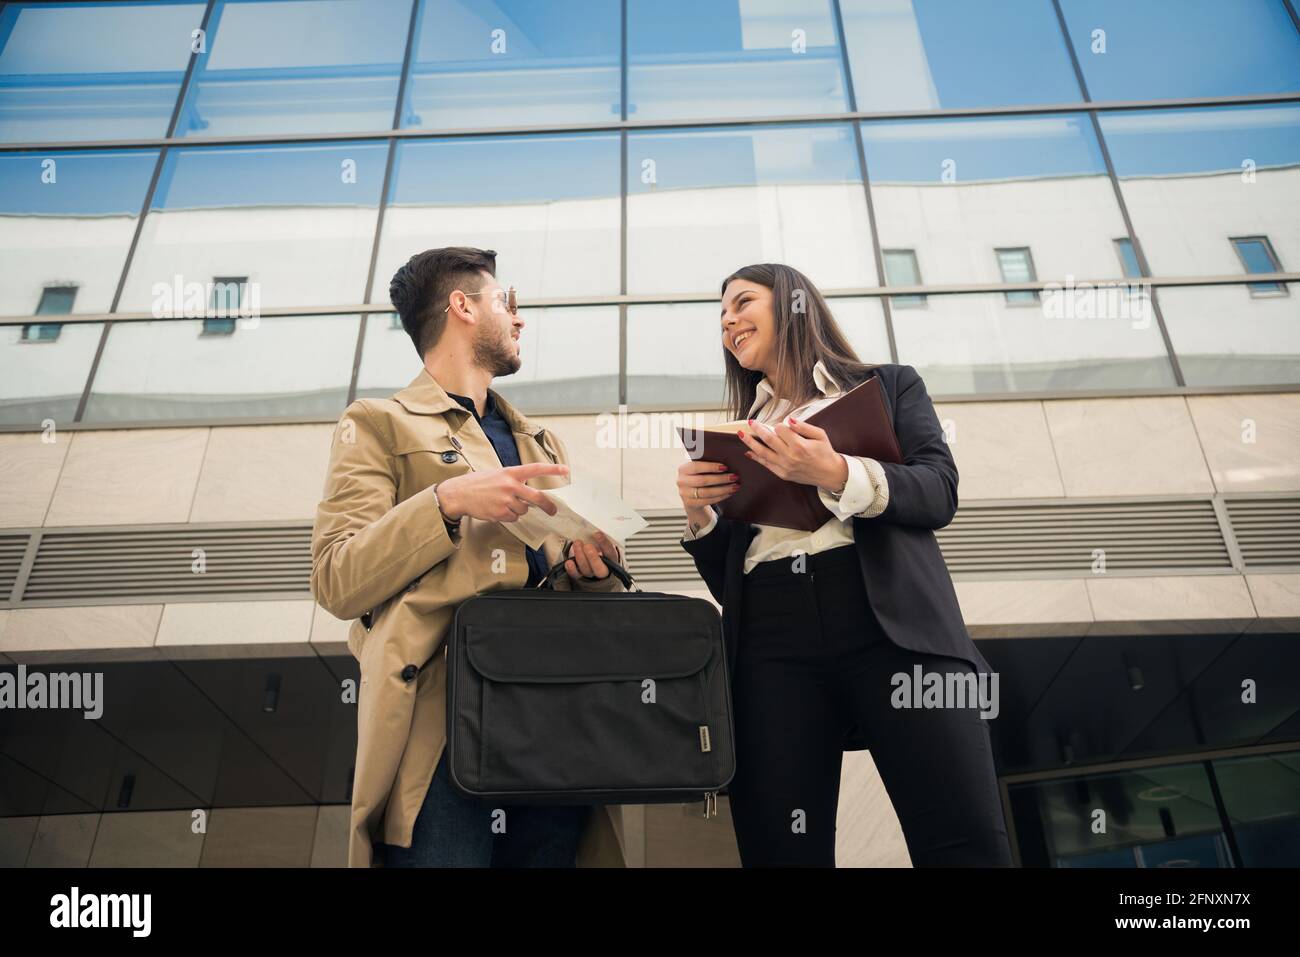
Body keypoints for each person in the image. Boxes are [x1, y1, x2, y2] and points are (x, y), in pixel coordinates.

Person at [677, 262, 1013, 867]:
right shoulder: (742, 429)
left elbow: (938, 491)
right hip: (770, 636)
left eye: (742, 302)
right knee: (781, 849)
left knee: (962, 838)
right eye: (721, 314)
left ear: (793, 304)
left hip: (891, 621)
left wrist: (834, 473)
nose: (728, 320)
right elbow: (730, 582)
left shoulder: (888, 386)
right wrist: (701, 517)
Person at [311, 246, 627, 868]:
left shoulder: (540, 439)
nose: (519, 319)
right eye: (506, 301)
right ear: (462, 305)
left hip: (552, 725)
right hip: (442, 729)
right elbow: (337, 577)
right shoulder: (378, 423)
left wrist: (590, 573)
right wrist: (447, 500)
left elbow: (571, 587)